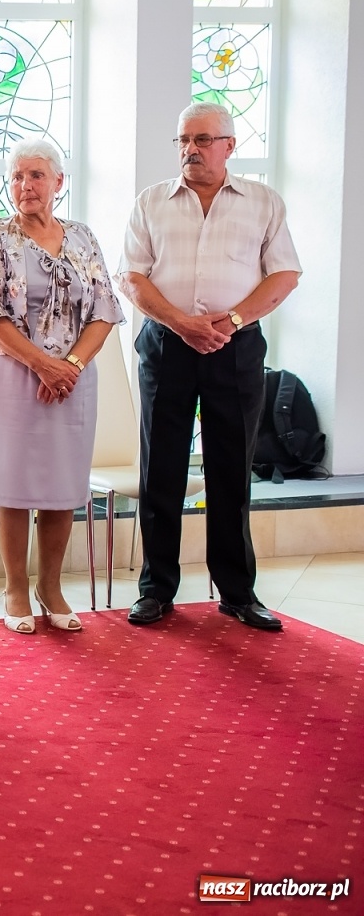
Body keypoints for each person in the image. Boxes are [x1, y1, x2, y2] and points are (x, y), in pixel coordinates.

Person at [116, 102, 301, 631]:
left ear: (229, 146)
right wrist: (181, 322)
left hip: (236, 347)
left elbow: (284, 274)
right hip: (166, 347)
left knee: (230, 469)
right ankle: (156, 590)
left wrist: (234, 319)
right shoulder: (151, 202)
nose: (190, 150)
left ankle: (238, 593)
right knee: (161, 471)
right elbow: (133, 278)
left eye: (202, 139)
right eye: (182, 140)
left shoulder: (263, 203)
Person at [0, 139, 126, 635]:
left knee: (62, 484)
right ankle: (15, 587)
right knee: (14, 485)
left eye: (35, 176)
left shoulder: (82, 236)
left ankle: (50, 586)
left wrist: (69, 365)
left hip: (73, 379)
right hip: (13, 374)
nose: (24, 186)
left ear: (59, 182)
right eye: (15, 177)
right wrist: (43, 366)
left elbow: (104, 308)